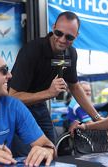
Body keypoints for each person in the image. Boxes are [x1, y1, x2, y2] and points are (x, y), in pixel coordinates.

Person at [9, 11, 101, 156]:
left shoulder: (71, 53)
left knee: (52, 152)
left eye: (69, 37)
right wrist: (48, 93)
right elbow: (12, 97)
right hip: (17, 109)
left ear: (76, 36)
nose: (62, 39)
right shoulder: (32, 50)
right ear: (53, 28)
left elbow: (75, 86)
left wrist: (98, 119)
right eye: (58, 33)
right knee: (29, 157)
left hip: (39, 106)